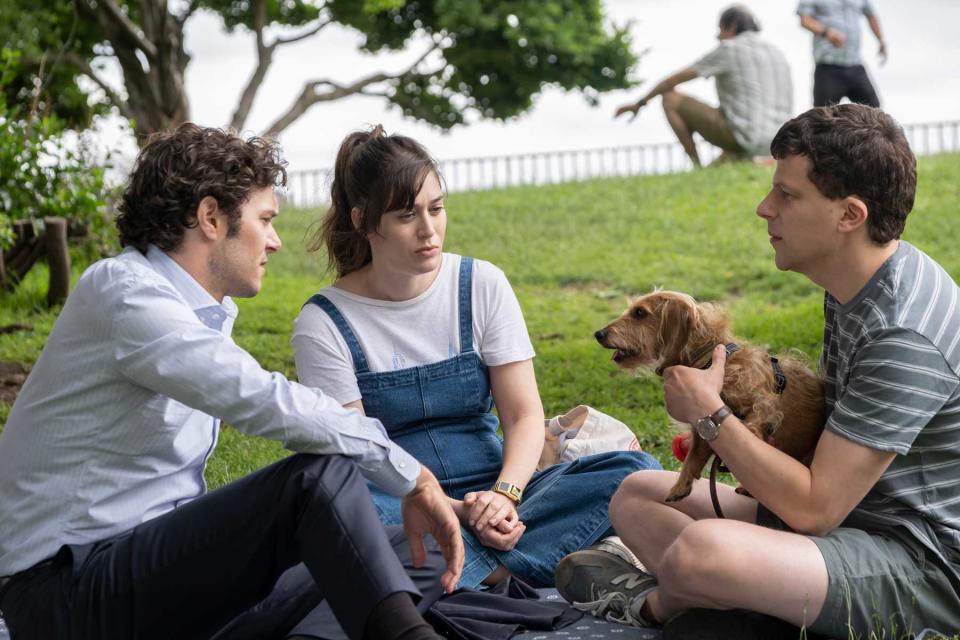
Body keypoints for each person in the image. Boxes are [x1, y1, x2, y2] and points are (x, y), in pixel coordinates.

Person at [0, 123, 464, 640]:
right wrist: (414, 475)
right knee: (317, 479)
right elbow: (263, 400)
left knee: (408, 550)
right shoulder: (125, 292)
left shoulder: (198, 312)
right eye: (265, 220)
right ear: (211, 218)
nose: (275, 241)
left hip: (150, 583)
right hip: (68, 593)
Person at [555, 104, 960, 638]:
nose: (763, 208)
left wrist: (710, 413)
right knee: (636, 495)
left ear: (849, 216)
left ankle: (657, 604)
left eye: (787, 195)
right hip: (855, 518)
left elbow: (816, 510)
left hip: (919, 562)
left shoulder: (900, 333)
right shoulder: (857, 287)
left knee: (702, 552)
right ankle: (736, 602)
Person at [291, 125, 661, 594]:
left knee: (635, 473)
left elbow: (524, 415)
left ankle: (458, 574)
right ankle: (516, 571)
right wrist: (455, 510)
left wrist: (504, 496)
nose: (429, 229)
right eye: (407, 216)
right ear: (365, 221)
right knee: (343, 507)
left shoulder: (480, 284)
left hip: (500, 492)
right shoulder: (323, 322)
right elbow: (361, 458)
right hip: (399, 500)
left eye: (437, 208)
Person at [614, 5, 792, 168]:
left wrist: (640, 103)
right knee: (724, 159)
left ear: (731, 26)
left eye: (720, 30)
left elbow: (672, 81)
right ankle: (740, 161)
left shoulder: (730, 49)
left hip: (743, 137)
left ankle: (697, 167)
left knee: (671, 98)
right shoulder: (778, 53)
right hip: (778, 142)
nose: (718, 37)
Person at [798, 0, 886, 108]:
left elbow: (871, 15)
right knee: (822, 117)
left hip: (855, 63)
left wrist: (881, 40)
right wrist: (827, 32)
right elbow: (805, 20)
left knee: (875, 111)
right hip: (828, 66)